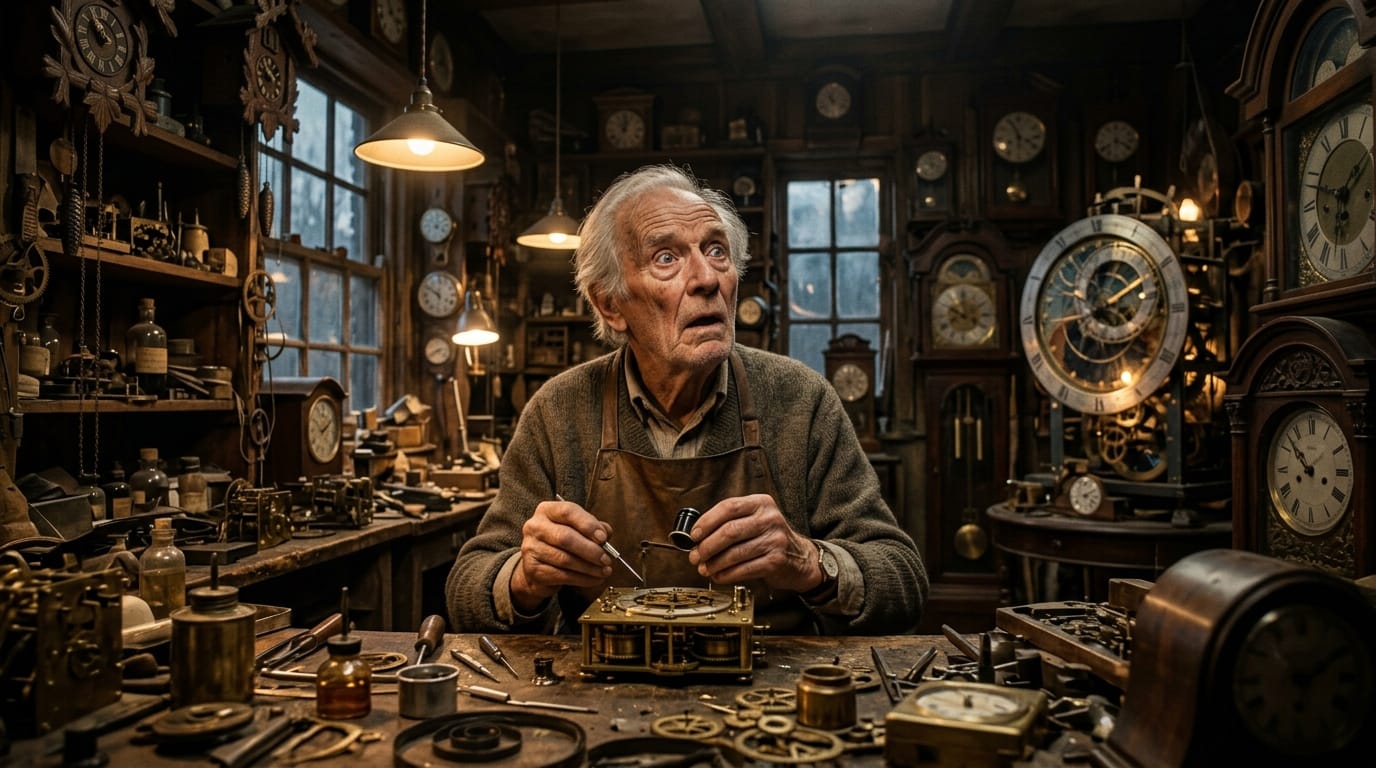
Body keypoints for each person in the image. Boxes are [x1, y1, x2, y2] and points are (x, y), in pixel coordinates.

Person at [446, 164, 927, 634]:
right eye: (666, 258)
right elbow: (466, 587)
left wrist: (810, 562)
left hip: (770, 694)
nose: (707, 279)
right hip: (603, 691)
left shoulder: (801, 399)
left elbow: (902, 578)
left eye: (716, 251)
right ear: (611, 305)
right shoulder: (560, 410)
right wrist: (525, 578)